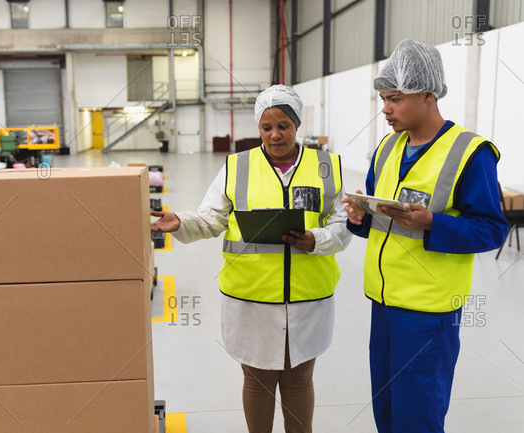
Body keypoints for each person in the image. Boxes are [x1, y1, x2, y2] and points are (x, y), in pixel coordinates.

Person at [152, 84, 351, 433]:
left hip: (308, 296)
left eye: (284, 125)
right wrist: (181, 221)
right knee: (257, 379)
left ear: (297, 124)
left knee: (300, 378)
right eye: (266, 127)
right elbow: (211, 217)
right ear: (258, 128)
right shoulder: (237, 167)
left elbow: (342, 223)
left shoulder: (326, 166)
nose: (275, 135)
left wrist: (315, 240)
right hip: (250, 297)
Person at [342, 39, 508, 433]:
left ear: (428, 95)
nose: (385, 109)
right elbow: (380, 219)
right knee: (387, 411)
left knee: (418, 416)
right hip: (383, 303)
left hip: (429, 312)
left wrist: (433, 222)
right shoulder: (387, 147)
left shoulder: (470, 152)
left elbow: (492, 229)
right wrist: (358, 216)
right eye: (383, 98)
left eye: (395, 99)